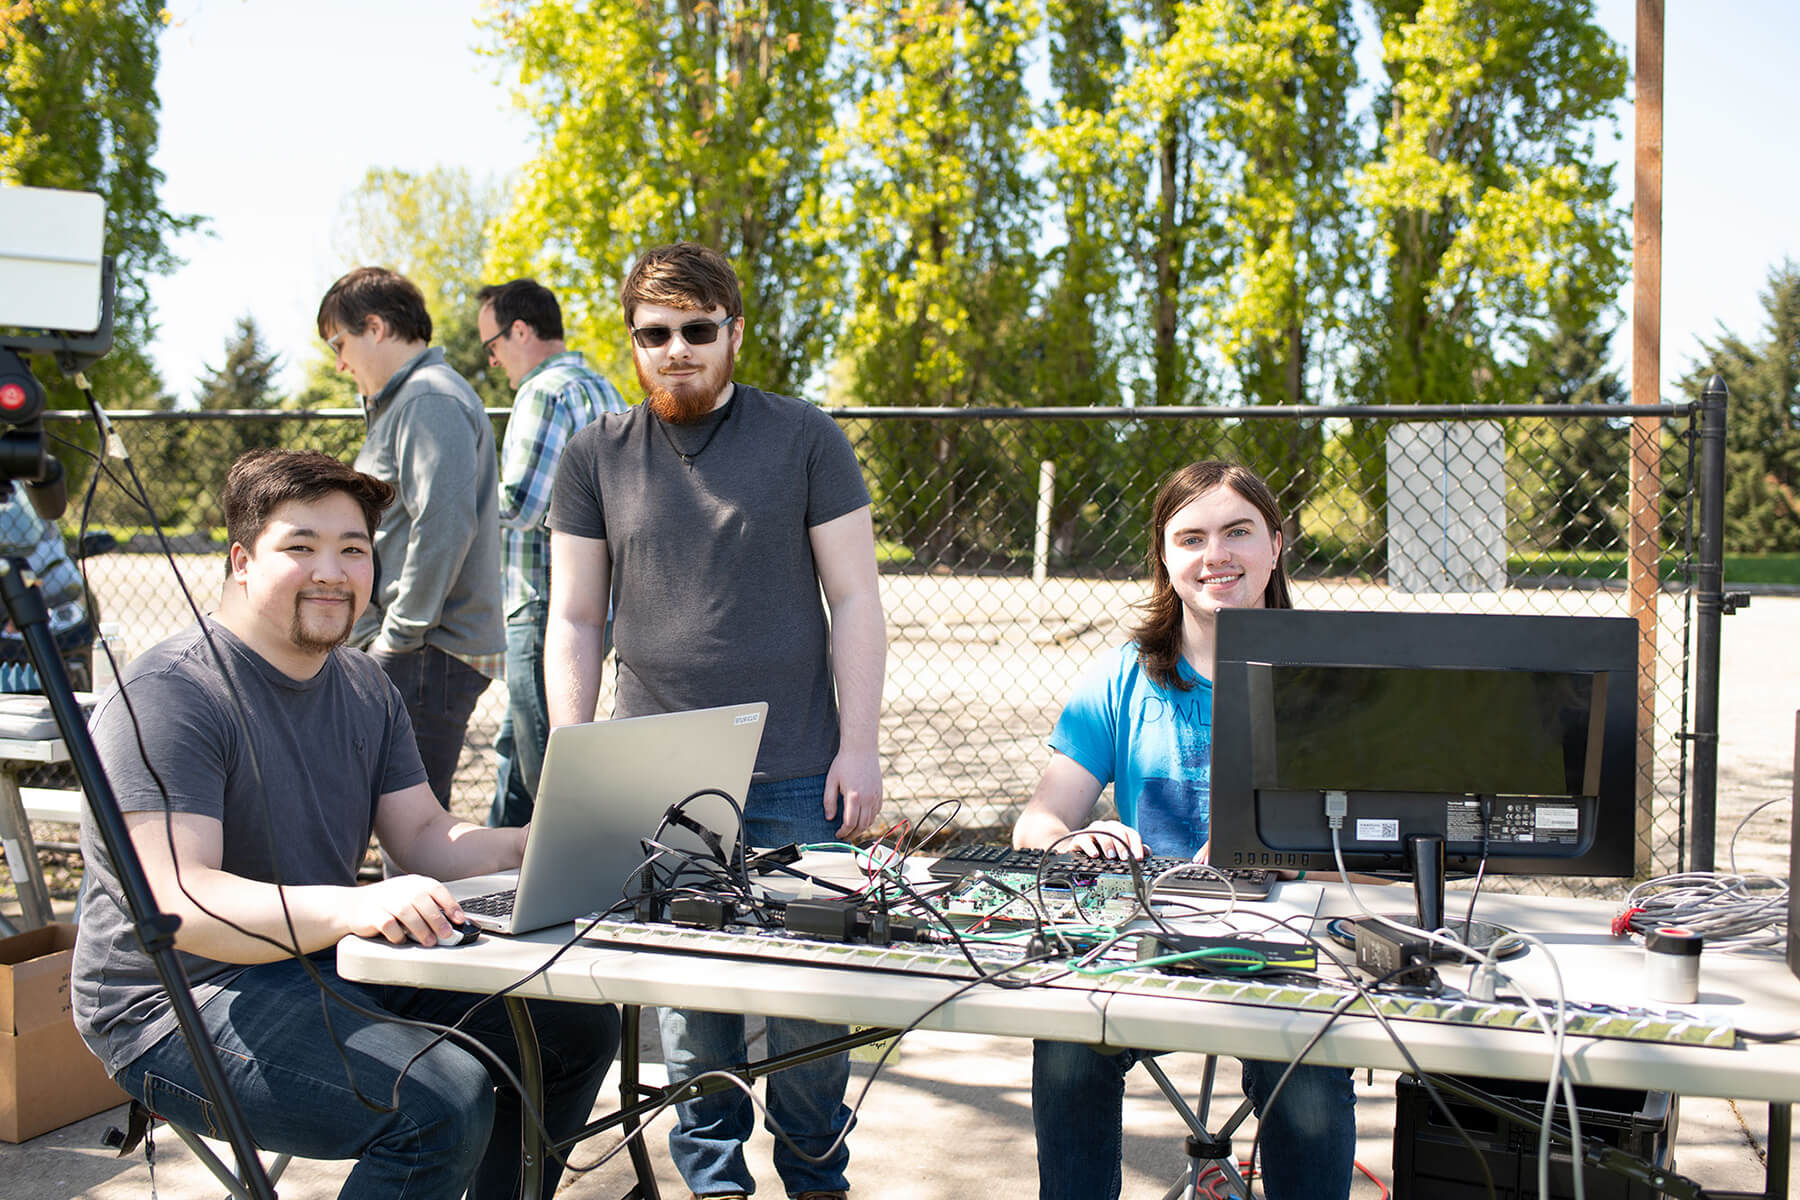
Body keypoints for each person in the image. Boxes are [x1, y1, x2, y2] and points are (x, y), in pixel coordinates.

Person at [70, 449, 618, 1199]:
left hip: (323, 964)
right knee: (438, 1102)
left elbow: (423, 834)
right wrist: (356, 906)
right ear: (240, 560)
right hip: (173, 1004)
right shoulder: (171, 695)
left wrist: (540, 842)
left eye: (353, 549)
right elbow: (180, 903)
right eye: (301, 547)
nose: (332, 571)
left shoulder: (363, 684)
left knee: (574, 1034)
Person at [545, 242, 886, 1200]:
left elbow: (856, 597)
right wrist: (576, 753)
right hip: (661, 779)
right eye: (655, 335)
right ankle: (715, 1188)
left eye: (699, 330)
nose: (678, 350)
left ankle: (819, 1181)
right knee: (696, 1018)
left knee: (814, 1011)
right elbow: (574, 618)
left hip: (796, 772)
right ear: (632, 343)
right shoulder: (594, 455)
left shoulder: (806, 437)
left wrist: (858, 746)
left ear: (735, 332)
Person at [1013, 460, 1357, 1200]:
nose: (1216, 556)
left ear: (1276, 544)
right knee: (1068, 1045)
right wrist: (1068, 840)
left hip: (1283, 956)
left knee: (1310, 1075)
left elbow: (1385, 858)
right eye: (1191, 537)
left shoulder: (1328, 680)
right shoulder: (1121, 678)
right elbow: (1037, 822)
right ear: (1165, 558)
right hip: (1147, 949)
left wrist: (1286, 858)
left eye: (1238, 532)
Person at [318, 266, 504, 807]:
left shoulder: (429, 398)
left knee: (413, 837)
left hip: (425, 654)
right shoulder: (409, 399)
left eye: (340, 343)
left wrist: (397, 640)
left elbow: (442, 527)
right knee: (401, 827)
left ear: (375, 327)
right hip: (419, 651)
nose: (339, 363)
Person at [476, 278, 626, 828]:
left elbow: (520, 502)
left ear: (520, 331)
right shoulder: (605, 388)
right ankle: (498, 877)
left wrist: (452, 500)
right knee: (518, 749)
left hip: (543, 600)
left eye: (491, 346)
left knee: (547, 769)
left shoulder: (543, 391)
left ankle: (560, 885)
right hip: (598, 600)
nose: (493, 361)